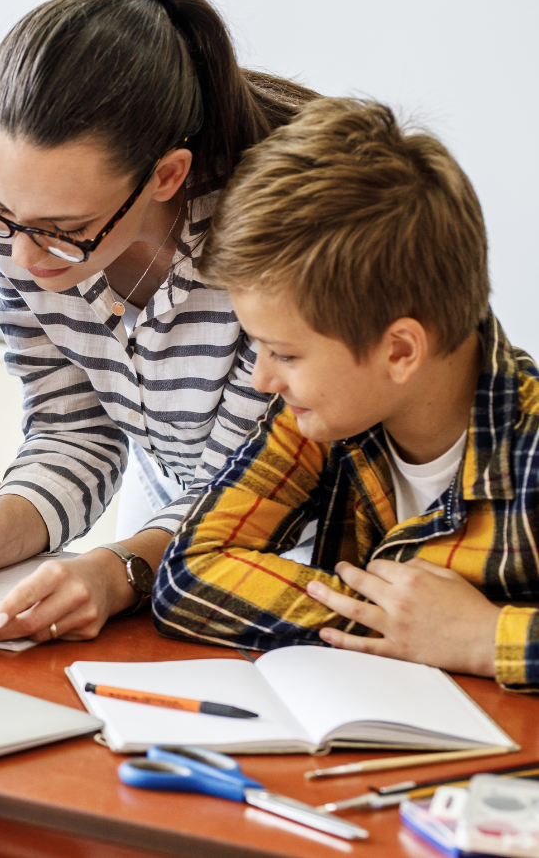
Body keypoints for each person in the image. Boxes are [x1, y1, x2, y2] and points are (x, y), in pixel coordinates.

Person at [0, 0, 317, 638]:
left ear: (166, 176)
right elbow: (72, 425)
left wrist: (118, 571)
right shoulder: (13, 211)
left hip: (314, 534)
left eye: (65, 231)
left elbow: (254, 485)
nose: (21, 257)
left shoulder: (266, 239)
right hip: (169, 516)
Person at [154, 98, 539, 690]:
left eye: (284, 353)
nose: (263, 380)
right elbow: (189, 574)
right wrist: (392, 626)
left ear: (400, 352)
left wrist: (487, 639)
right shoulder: (324, 415)